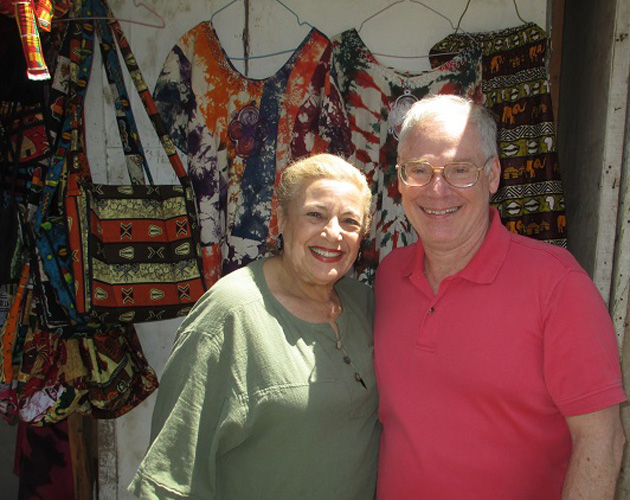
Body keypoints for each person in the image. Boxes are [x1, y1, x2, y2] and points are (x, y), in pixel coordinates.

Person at [374, 94, 626, 499]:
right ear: (399, 181)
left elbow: (602, 441)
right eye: (418, 170)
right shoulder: (388, 276)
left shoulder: (558, 284)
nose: (437, 190)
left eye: (460, 169)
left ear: (492, 175)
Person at [129, 153, 380, 499]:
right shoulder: (229, 316)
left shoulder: (365, 304)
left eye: (350, 221)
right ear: (282, 220)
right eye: (315, 215)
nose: (332, 233)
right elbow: (170, 479)